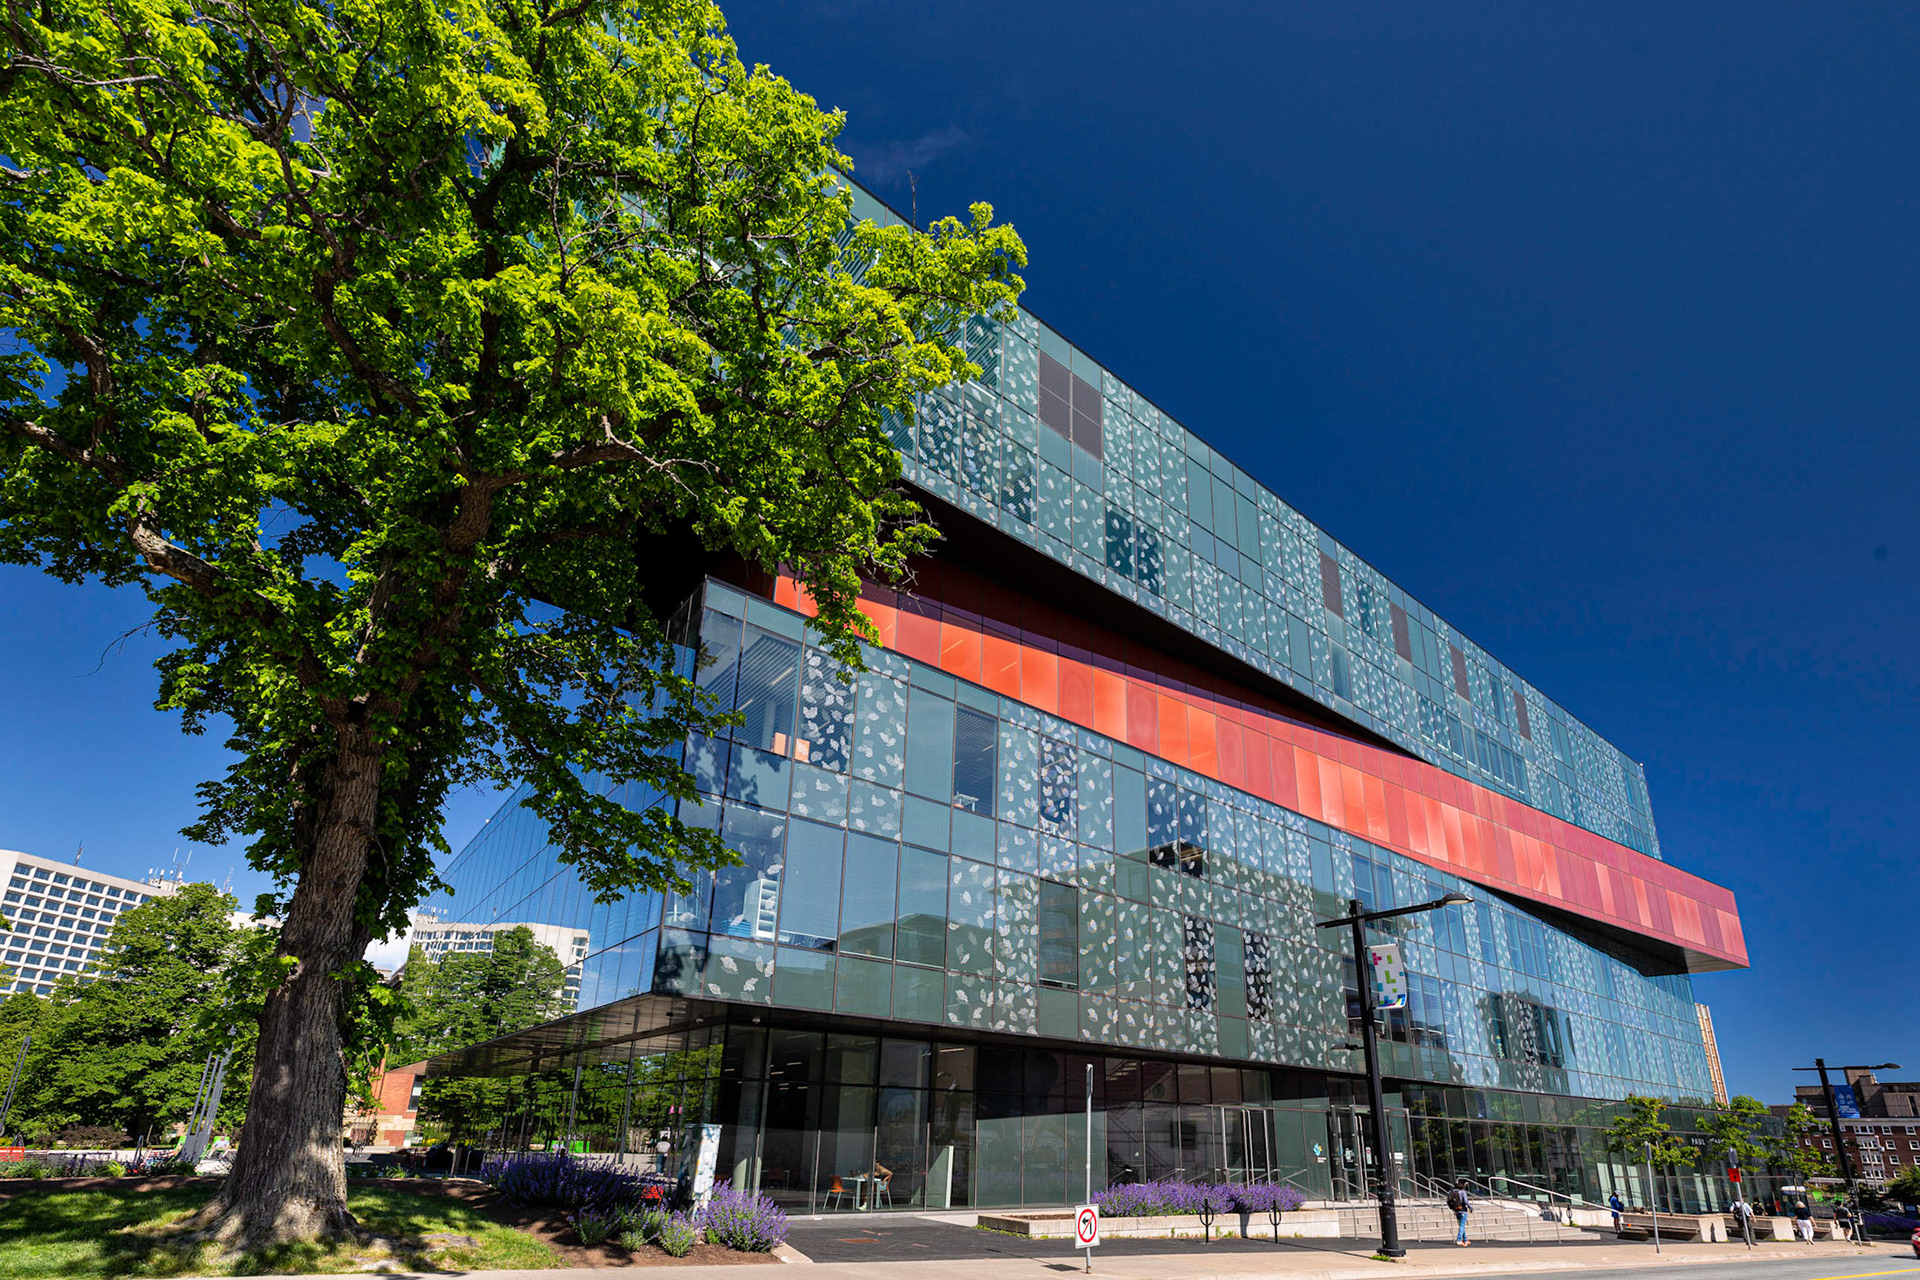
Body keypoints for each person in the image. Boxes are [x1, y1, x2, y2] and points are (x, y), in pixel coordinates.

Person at [1447, 1180, 1473, 1246]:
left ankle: (1465, 1240)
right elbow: (1466, 1201)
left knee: (1461, 1225)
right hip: (1463, 1209)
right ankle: (1459, 1240)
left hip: (1456, 1210)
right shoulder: (1462, 1192)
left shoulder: (1451, 1192)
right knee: (1462, 1225)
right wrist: (1470, 1208)